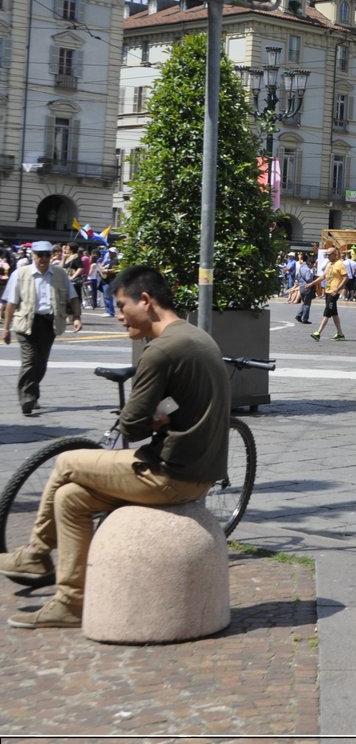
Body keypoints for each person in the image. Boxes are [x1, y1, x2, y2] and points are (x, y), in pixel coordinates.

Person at [1, 266, 230, 629]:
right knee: (70, 497)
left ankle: (34, 555)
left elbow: (132, 426)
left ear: (145, 300)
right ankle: (70, 602)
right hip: (200, 472)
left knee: (67, 463)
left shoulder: (160, 351)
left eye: (121, 306)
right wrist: (159, 415)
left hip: (170, 475)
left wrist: (147, 417)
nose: (119, 316)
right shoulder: (198, 337)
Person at [2, 241, 83, 416]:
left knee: (41, 364)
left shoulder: (60, 274)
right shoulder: (20, 274)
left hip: (49, 324)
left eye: (47, 255)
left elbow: (73, 297)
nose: (44, 258)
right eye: (40, 255)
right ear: (33, 256)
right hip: (26, 323)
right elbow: (11, 303)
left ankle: (33, 394)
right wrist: (6, 329)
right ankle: (27, 399)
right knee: (30, 361)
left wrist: (76, 317)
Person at [312, 250, 348, 340]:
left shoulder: (340, 264)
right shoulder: (329, 264)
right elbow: (323, 276)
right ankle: (340, 334)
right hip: (328, 291)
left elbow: (346, 277)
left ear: (334, 254)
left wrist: (338, 288)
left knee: (327, 311)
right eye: (326, 254)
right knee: (334, 313)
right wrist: (312, 283)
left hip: (334, 292)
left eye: (328, 255)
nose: (327, 256)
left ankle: (318, 332)